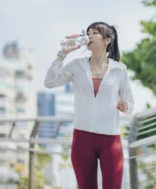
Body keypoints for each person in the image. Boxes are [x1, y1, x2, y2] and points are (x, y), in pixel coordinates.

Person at [44, 21, 134, 189]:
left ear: (107, 40)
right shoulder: (76, 66)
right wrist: (62, 54)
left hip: (110, 140)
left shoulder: (119, 70)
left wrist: (125, 106)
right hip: (82, 139)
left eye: (95, 33)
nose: (89, 36)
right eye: (88, 33)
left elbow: (130, 103)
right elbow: (50, 82)